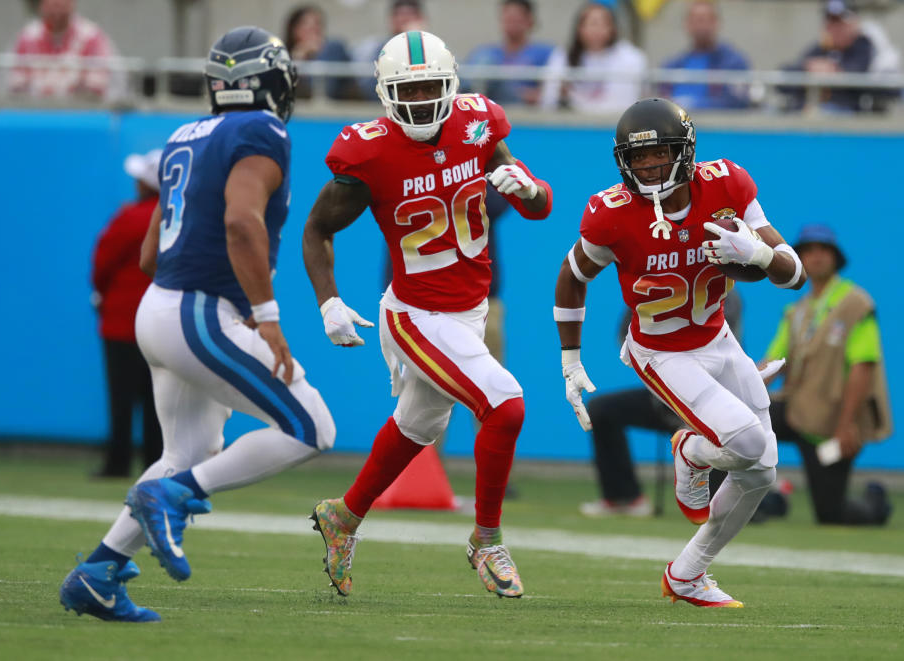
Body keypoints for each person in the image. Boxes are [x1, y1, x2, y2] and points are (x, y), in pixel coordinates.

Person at [59, 26, 336, 623]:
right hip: (200, 311)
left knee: (188, 450)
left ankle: (99, 571)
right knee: (311, 426)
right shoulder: (262, 129)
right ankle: (176, 495)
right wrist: (265, 317)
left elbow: (148, 256)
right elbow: (241, 223)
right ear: (270, 83)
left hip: (159, 306)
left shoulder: (185, 134)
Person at [302, 30, 552, 599]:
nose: (418, 103)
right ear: (386, 94)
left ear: (452, 85)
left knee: (419, 424)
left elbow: (539, 208)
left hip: (468, 310)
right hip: (414, 313)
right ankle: (487, 539)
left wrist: (527, 188)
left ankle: (345, 515)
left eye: (429, 90)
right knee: (506, 405)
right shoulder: (368, 151)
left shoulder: (478, 124)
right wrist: (328, 301)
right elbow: (316, 229)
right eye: (405, 92)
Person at [554, 97, 806, 607]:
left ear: (685, 151)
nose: (648, 165)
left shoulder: (727, 185)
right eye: (637, 157)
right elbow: (572, 277)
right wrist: (570, 359)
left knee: (762, 470)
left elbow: (794, 274)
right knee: (746, 441)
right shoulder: (612, 213)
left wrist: (757, 253)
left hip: (716, 337)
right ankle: (690, 451)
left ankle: (688, 573)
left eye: (659, 154)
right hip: (660, 352)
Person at [762, 223, 893, 525]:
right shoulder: (796, 311)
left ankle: (876, 503)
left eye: (823, 250)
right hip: (798, 407)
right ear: (799, 258)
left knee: (831, 513)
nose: (816, 256)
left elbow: (863, 367)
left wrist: (847, 426)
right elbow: (771, 363)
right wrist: (731, 394)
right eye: (808, 250)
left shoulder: (856, 304)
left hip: (834, 419)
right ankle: (738, 506)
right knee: (741, 422)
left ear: (836, 257)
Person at [580, 288, 742, 517]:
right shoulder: (648, 287)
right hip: (662, 395)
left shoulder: (723, 290)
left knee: (719, 508)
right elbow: (625, 337)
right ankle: (623, 497)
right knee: (601, 409)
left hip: (709, 399)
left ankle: (735, 501)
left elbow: (723, 349)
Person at [91, 149, 164, 478]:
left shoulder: (131, 216)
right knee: (157, 400)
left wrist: (102, 296)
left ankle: (117, 462)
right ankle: (155, 463)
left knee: (121, 398)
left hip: (121, 320)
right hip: (162, 321)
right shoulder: (182, 218)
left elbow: (103, 263)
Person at [780, 0, 890, 113]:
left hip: (848, 116)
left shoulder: (864, 45)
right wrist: (808, 68)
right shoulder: (820, 48)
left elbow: (857, 73)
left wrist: (832, 71)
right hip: (809, 115)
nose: (833, 27)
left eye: (839, 21)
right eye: (830, 20)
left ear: (854, 23)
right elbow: (786, 75)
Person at [539, 2, 646, 114]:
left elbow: (622, 104)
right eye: (592, 23)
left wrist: (577, 104)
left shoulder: (630, 57)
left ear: (613, 28)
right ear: (579, 28)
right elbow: (549, 100)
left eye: (603, 23)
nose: (597, 29)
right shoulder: (562, 55)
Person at [7, 0, 120, 100]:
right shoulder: (27, 37)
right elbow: (15, 88)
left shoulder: (91, 36)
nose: (57, 4)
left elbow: (97, 90)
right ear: (41, 4)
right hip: (36, 116)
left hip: (80, 117)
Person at [659, 0, 750, 110]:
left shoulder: (733, 63)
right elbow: (660, 98)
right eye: (696, 21)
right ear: (687, 24)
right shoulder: (672, 65)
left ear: (716, 23)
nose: (701, 26)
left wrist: (691, 105)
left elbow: (736, 103)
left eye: (705, 20)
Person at [466, 0, 557, 106]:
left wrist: (521, 93)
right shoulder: (485, 51)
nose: (511, 24)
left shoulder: (546, 53)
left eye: (517, 20)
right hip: (491, 106)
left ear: (530, 21)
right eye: (508, 19)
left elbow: (551, 93)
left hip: (522, 108)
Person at [352, 0, 427, 100]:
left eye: (410, 14)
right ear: (391, 19)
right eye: (399, 14)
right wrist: (404, 43)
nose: (404, 19)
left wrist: (417, 42)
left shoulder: (436, 48)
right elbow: (370, 87)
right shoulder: (375, 48)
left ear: (421, 19)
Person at [284, 4, 355, 100]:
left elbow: (325, 90)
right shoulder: (282, 55)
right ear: (294, 30)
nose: (314, 30)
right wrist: (298, 58)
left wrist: (319, 53)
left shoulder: (334, 49)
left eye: (317, 24)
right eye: (307, 25)